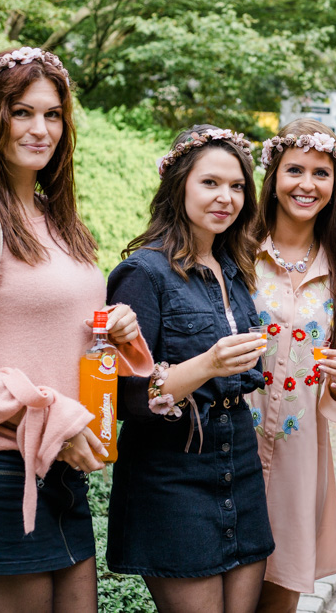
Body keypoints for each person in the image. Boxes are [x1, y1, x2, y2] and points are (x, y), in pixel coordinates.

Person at [0, 47, 152, 612]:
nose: (39, 128)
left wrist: (118, 333)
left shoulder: (57, 219)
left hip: (60, 464)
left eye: (51, 115)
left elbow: (64, 333)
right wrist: (53, 422)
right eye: (21, 112)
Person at [104, 125, 274, 613]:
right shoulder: (144, 272)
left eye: (238, 186)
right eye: (210, 183)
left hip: (239, 459)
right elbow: (123, 397)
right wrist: (208, 364)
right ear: (179, 185)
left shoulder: (235, 267)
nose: (227, 197)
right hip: (169, 473)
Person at [248, 119, 336, 612]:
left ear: (335, 185)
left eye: (321, 173)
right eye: (295, 170)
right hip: (235, 442)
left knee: (279, 594)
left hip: (300, 452)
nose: (307, 185)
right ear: (273, 176)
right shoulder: (235, 252)